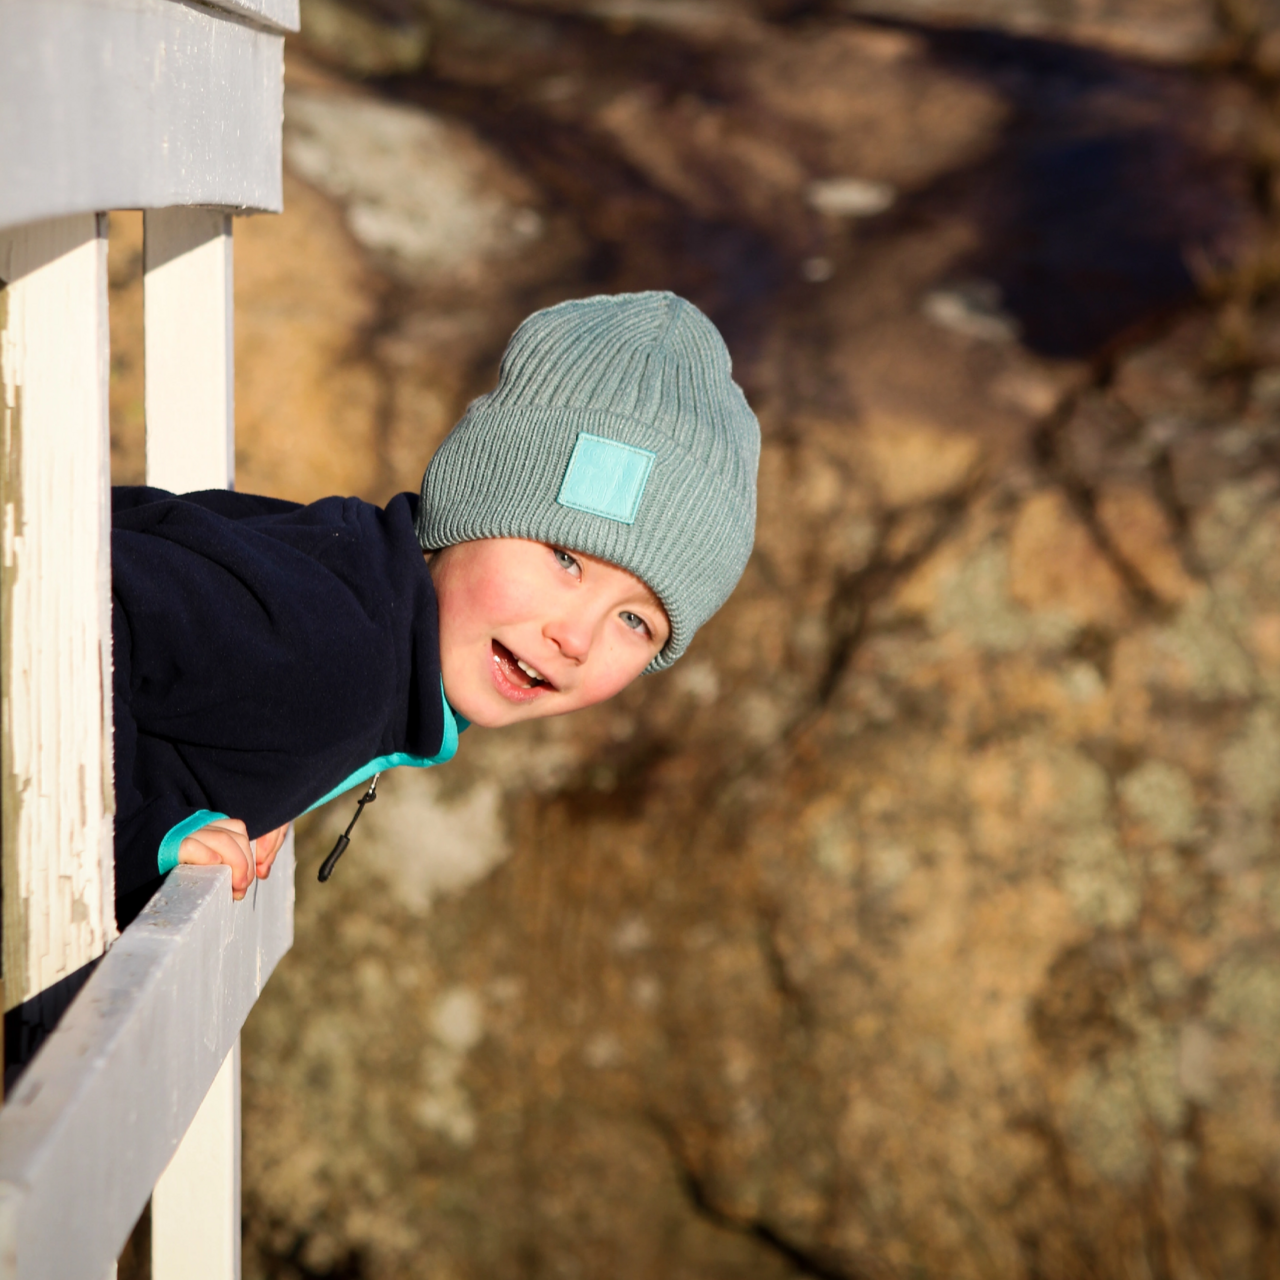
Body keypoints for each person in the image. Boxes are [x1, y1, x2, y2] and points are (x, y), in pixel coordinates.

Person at [110, 291, 760, 918]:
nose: (577, 638)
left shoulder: (357, 588)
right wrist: (130, 830)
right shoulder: (332, 650)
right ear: (469, 509)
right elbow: (76, 609)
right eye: (566, 558)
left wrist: (196, 793)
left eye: (635, 620)